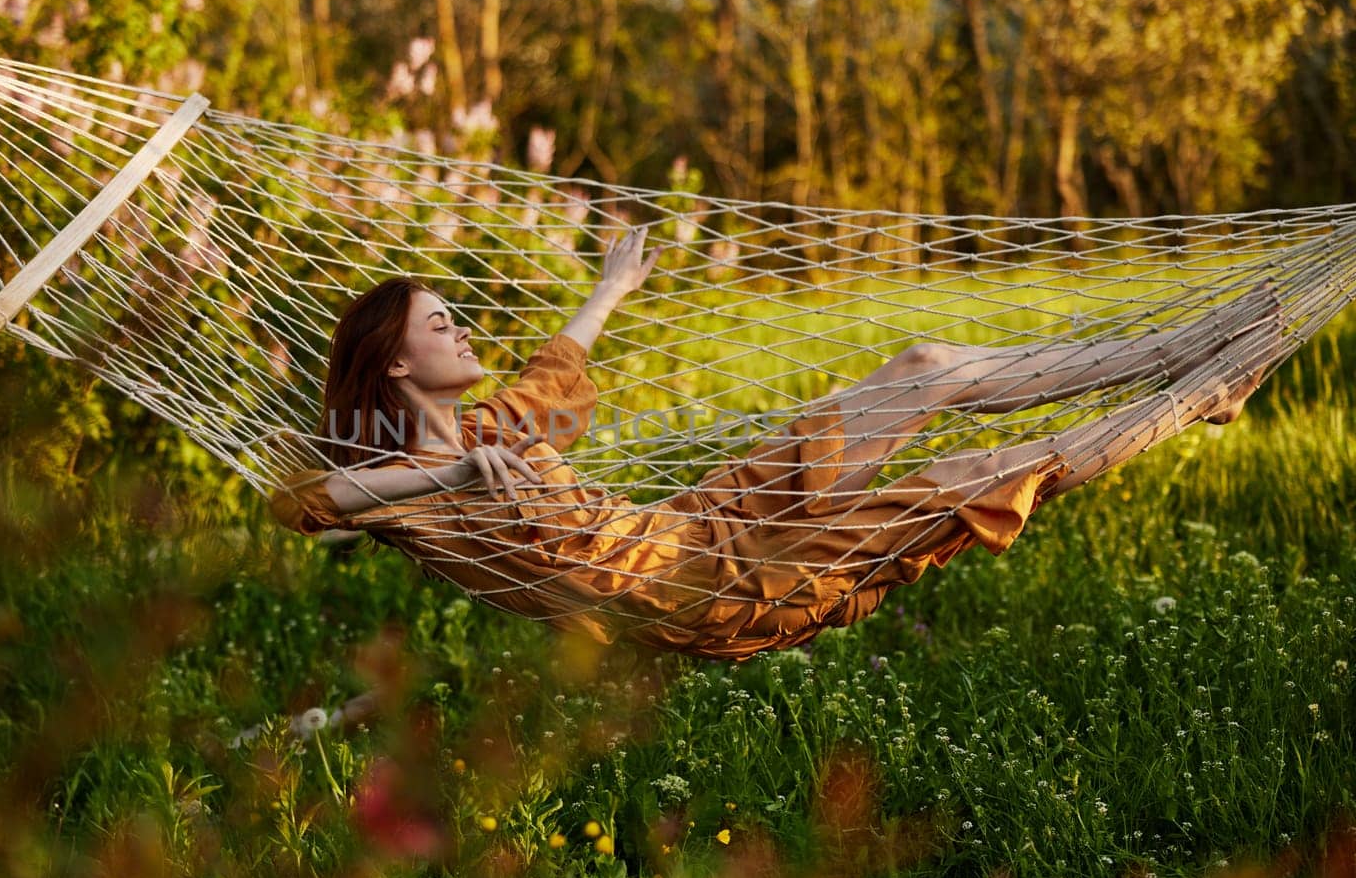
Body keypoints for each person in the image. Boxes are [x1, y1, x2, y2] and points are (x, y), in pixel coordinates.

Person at [271, 228, 1279, 660]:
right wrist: (450, 470)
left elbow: (558, 364)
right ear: (395, 366)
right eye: (440, 323)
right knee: (964, 480)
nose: (462, 329)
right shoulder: (410, 488)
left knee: (920, 361)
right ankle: (1200, 393)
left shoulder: (499, 426)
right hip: (718, 592)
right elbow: (304, 503)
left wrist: (614, 283)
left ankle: (1179, 343)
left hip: (706, 520)